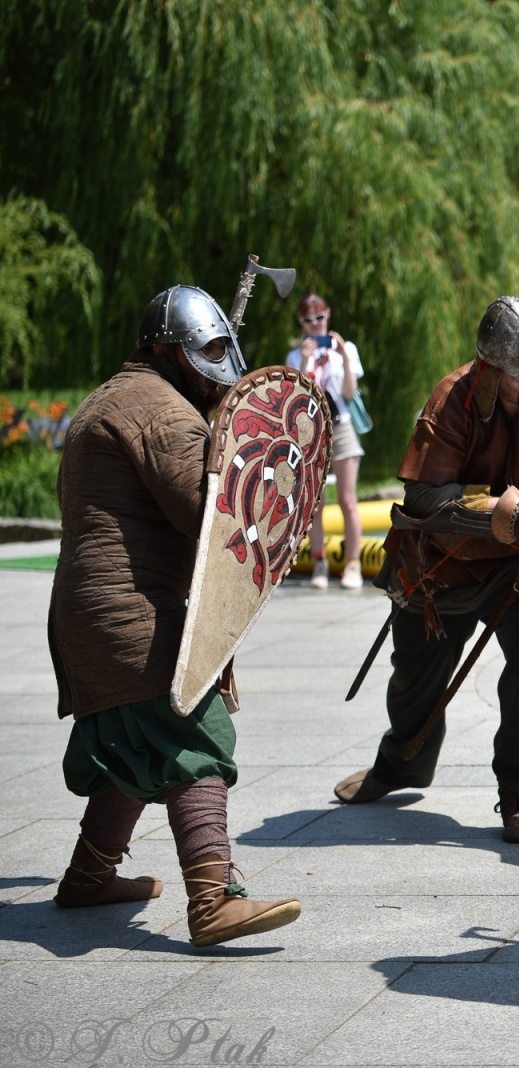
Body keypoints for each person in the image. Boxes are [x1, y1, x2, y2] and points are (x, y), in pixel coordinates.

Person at [48, 285, 301, 946]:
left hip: (90, 616)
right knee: (195, 734)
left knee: (134, 748)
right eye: (208, 349)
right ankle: (213, 900)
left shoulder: (111, 396)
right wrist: (251, 463)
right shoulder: (165, 413)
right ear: (167, 348)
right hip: (132, 614)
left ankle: (88, 876)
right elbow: (212, 517)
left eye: (224, 347)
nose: (220, 361)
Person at [332, 297, 519, 843]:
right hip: (443, 565)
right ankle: (400, 763)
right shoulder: (453, 400)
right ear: (492, 371)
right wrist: (504, 512)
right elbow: (424, 496)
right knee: (414, 683)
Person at [287, 293, 365, 589]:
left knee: (347, 498)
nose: (315, 325)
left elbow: (348, 393)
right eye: (308, 320)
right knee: (315, 503)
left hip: (341, 425)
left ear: (328, 315)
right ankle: (320, 563)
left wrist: (343, 354)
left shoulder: (346, 349)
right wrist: (305, 359)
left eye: (319, 318)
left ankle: (353, 564)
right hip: (311, 430)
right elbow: (296, 396)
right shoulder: (295, 356)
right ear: (301, 323)